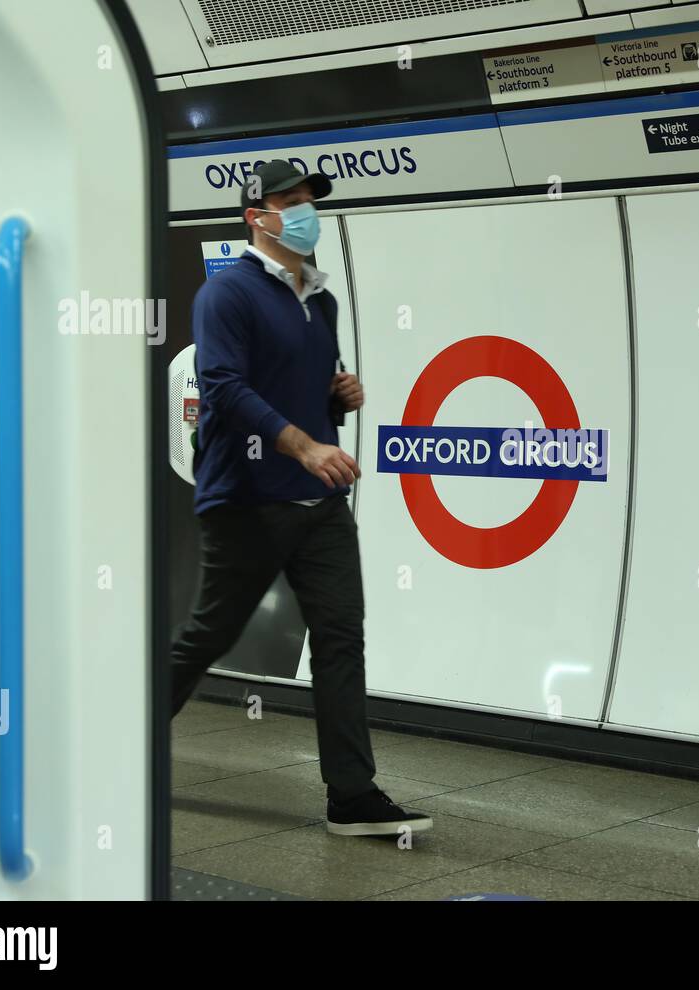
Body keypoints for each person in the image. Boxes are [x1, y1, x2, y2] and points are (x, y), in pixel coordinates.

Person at [169, 159, 432, 837]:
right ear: (257, 217)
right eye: (290, 201)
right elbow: (225, 389)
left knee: (341, 638)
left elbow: (302, 386)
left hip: (318, 503)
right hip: (248, 499)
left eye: (309, 200)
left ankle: (351, 796)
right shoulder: (226, 296)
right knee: (208, 635)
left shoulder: (321, 300)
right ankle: (120, 745)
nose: (306, 211)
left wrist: (336, 399)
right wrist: (305, 445)